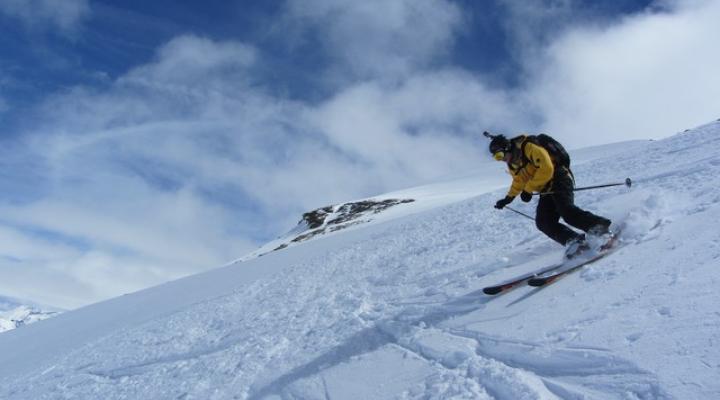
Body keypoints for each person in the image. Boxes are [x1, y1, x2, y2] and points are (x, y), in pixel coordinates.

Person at [488, 132, 612, 256]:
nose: (501, 160)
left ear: (507, 148)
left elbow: (546, 168)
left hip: (559, 178)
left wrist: (528, 189)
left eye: (499, 155)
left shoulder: (528, 147)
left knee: (567, 211)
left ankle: (600, 229)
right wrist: (508, 198)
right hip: (545, 189)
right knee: (543, 222)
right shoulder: (512, 165)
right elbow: (519, 181)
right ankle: (576, 242)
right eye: (496, 158)